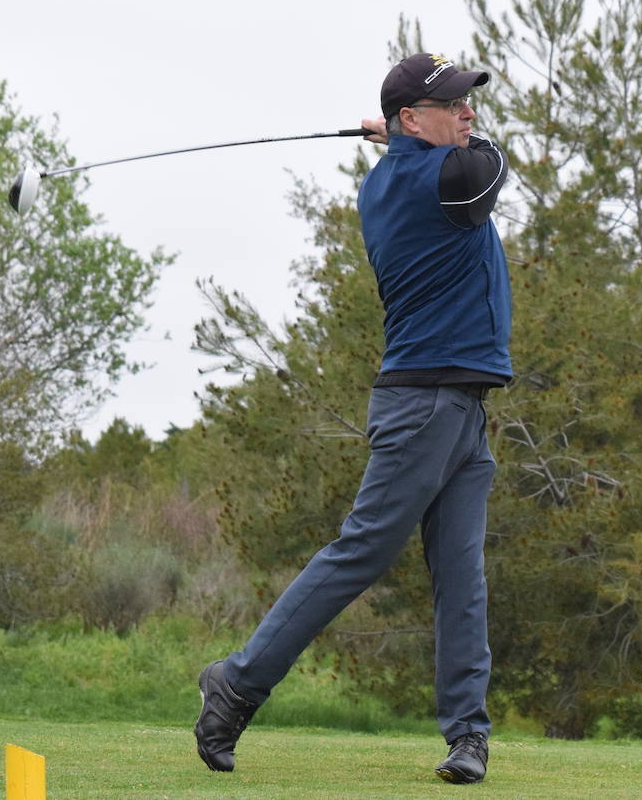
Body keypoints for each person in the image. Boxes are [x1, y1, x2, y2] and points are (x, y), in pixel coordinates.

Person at [194, 53, 511, 785]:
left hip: (462, 408)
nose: (470, 115)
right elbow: (485, 167)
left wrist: (407, 140)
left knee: (462, 576)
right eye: (454, 106)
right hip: (424, 403)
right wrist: (412, 144)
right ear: (411, 118)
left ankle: (468, 734)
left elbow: (449, 157)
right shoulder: (439, 178)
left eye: (469, 103)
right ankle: (237, 683)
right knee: (361, 552)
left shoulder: (403, 174)